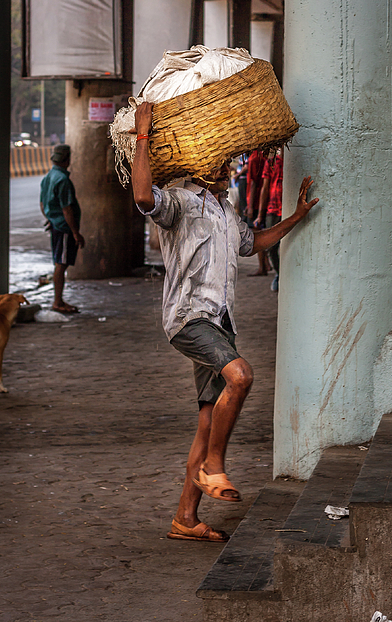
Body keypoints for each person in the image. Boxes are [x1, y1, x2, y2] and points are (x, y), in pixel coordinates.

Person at [131, 102, 318, 543]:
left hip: (219, 322)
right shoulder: (179, 200)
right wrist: (143, 133)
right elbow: (143, 198)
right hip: (188, 317)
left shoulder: (224, 208)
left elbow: (252, 244)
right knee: (242, 375)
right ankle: (214, 467)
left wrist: (295, 217)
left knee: (205, 419)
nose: (229, 163)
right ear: (202, 160)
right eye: (223, 158)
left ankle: (185, 518)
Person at [40, 144, 85, 313]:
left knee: (60, 262)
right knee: (61, 264)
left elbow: (42, 203)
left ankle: (58, 300)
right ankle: (57, 301)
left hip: (55, 224)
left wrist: (50, 218)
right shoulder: (63, 180)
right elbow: (67, 209)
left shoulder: (48, 177)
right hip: (64, 228)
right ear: (67, 160)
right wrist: (75, 233)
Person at [254, 146, 284, 292]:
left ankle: (285, 275)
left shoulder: (295, 162)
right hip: (273, 208)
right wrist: (260, 214)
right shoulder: (271, 162)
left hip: (288, 208)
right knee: (271, 247)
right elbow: (265, 189)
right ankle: (279, 274)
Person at [245, 148, 270, 276]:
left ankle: (262, 266)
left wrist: (250, 206)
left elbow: (254, 183)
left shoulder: (254, 158)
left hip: (255, 202)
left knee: (257, 234)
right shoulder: (263, 156)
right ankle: (266, 263)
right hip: (261, 200)